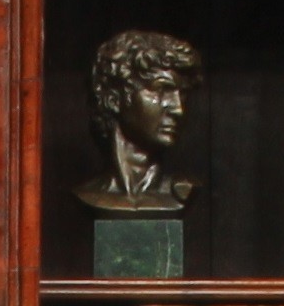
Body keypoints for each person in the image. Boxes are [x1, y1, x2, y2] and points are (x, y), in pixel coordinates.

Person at [76, 27, 203, 210]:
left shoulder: (182, 191)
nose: (178, 109)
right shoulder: (90, 195)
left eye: (182, 95)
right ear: (115, 99)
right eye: (161, 90)